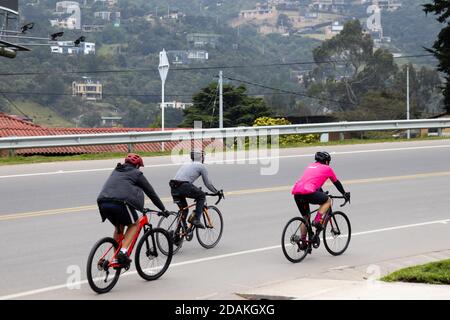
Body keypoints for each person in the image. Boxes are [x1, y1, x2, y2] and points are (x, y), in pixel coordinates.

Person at [97, 153, 168, 266]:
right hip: (120, 203)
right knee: (134, 224)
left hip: (103, 202)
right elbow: (151, 193)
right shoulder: (137, 174)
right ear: (137, 166)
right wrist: (163, 209)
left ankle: (115, 258)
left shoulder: (117, 170)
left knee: (119, 227)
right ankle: (123, 252)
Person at [291, 151, 350, 250]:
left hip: (297, 193)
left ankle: (303, 242)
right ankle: (317, 220)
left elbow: (314, 183)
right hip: (308, 192)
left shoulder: (310, 166)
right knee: (327, 201)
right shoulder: (327, 169)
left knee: (305, 217)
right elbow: (336, 183)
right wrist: (344, 194)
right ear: (327, 161)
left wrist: (321, 193)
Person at [169, 150, 221, 229]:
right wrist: (217, 192)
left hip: (173, 187)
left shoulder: (187, 164)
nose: (204, 158)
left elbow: (186, 178)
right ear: (201, 157)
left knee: (184, 210)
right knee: (201, 196)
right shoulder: (201, 166)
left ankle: (178, 234)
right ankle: (196, 219)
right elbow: (208, 184)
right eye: (203, 156)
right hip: (184, 186)